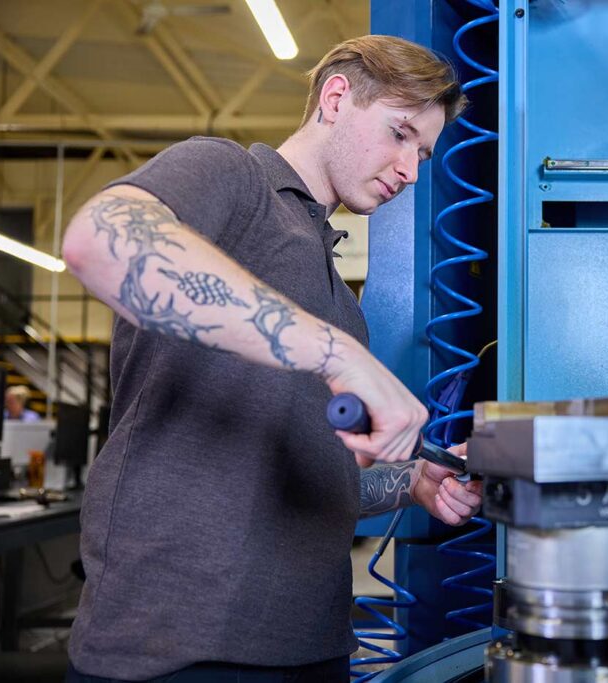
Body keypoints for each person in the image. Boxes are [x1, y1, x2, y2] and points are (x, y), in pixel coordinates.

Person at [61, 35, 482, 682]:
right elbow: (99, 239)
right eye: (400, 134)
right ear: (336, 97)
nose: (411, 169)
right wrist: (337, 354)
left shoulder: (342, 301)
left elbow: (305, 474)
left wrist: (415, 482)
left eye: (423, 153)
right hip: (177, 643)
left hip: (310, 643)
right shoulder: (231, 177)